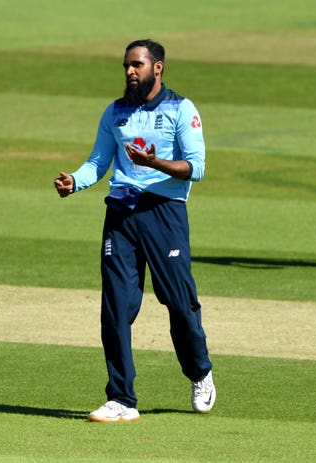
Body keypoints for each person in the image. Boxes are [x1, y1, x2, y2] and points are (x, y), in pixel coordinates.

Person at [54, 38, 215, 422]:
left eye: (137, 65)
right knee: (116, 307)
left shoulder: (181, 108)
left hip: (165, 212)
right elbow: (98, 161)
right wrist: (75, 181)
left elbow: (197, 167)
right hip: (122, 213)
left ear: (157, 68)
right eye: (127, 65)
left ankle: (200, 372)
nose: (130, 71)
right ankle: (122, 398)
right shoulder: (115, 112)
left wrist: (156, 163)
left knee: (178, 303)